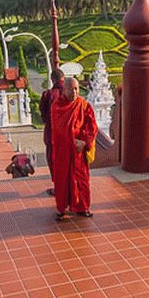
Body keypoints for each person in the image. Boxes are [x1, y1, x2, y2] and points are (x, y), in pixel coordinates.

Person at [50, 77, 97, 221]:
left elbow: (92, 126)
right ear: (64, 90)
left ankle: (82, 207)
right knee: (62, 181)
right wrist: (72, 142)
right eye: (71, 89)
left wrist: (84, 142)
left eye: (76, 89)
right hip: (63, 151)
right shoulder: (57, 106)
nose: (74, 92)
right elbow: (58, 129)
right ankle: (61, 208)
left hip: (78, 152)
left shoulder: (83, 105)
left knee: (81, 180)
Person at [39, 69, 65, 196]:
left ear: (52, 80)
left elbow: (44, 117)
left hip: (53, 134)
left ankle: (58, 186)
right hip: (69, 134)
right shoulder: (71, 94)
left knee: (53, 160)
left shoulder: (48, 95)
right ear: (63, 78)